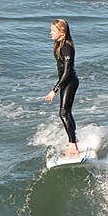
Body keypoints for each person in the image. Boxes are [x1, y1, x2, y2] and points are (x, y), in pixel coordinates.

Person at [45, 19, 80, 157]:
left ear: (62, 32)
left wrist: (54, 89)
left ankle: (74, 147)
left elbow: (66, 72)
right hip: (65, 82)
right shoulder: (59, 44)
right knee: (67, 112)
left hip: (70, 82)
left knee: (63, 113)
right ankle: (72, 140)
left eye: (53, 30)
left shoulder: (67, 47)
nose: (51, 33)